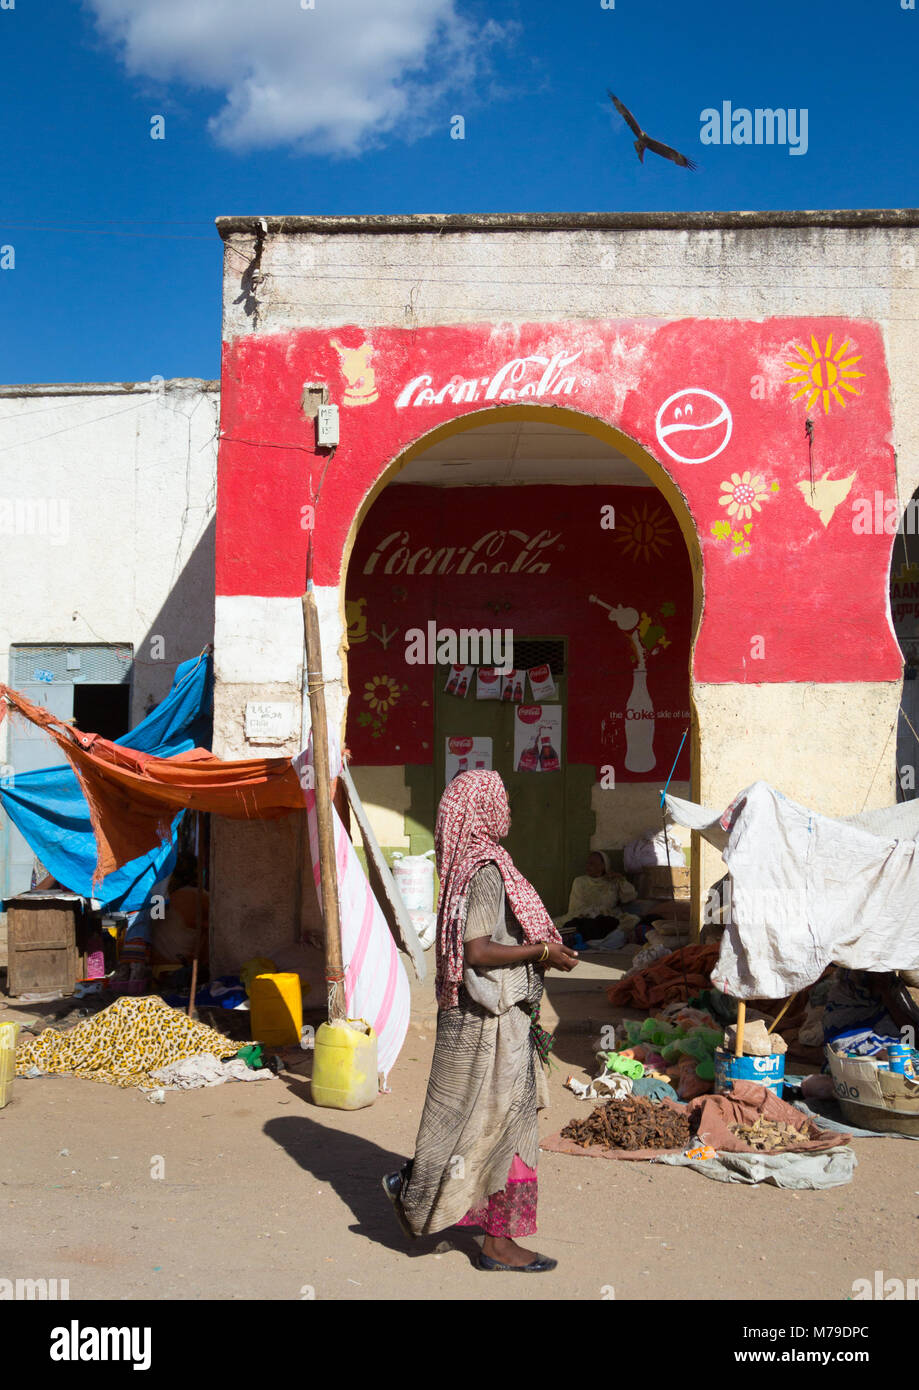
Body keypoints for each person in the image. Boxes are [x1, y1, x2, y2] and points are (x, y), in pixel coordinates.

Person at [382, 769, 579, 1272]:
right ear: (485, 809)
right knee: (507, 1127)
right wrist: (543, 951)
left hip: (467, 1017)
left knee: (466, 1120)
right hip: (492, 1022)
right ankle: (498, 1243)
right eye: (501, 800)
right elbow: (478, 950)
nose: (507, 808)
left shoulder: (460, 866)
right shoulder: (487, 868)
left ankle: (417, 1190)